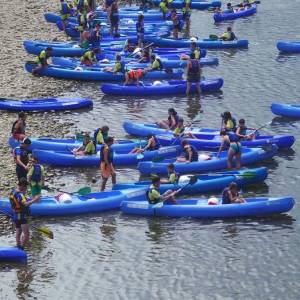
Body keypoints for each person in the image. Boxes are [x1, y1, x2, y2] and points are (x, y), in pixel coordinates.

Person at [9, 178, 39, 250]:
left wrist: (26, 197)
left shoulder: (13, 191)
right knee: (26, 234)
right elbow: (25, 204)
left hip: (15, 215)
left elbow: (15, 202)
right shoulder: (20, 195)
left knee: (18, 231)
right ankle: (21, 248)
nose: (26, 189)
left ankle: (18, 246)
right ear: (22, 186)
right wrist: (35, 200)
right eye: (26, 187)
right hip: (22, 216)